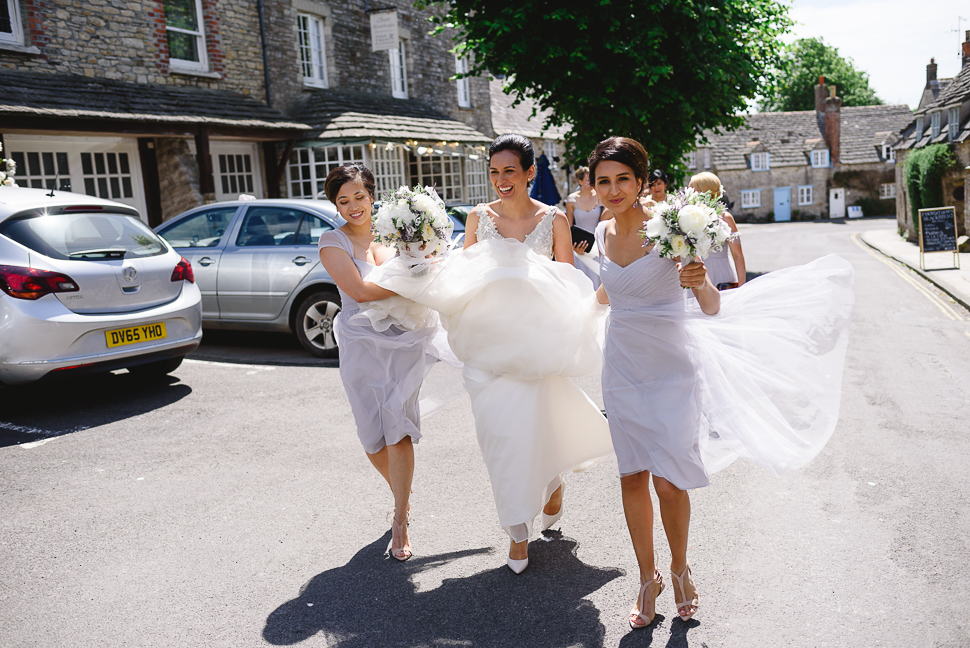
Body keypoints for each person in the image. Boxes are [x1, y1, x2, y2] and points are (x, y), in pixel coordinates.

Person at [591, 137, 854, 628]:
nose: (613, 189)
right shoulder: (602, 231)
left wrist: (700, 279)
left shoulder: (671, 227)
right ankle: (647, 579)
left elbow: (710, 306)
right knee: (631, 476)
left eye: (623, 178)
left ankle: (680, 567)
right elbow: (609, 294)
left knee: (669, 483)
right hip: (621, 368)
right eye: (603, 180)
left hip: (671, 369)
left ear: (642, 181)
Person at [357, 134, 614, 574]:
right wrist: (415, 267)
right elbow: (461, 279)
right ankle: (517, 528)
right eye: (494, 172)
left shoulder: (553, 220)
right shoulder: (478, 217)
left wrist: (592, 315)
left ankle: (550, 484)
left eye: (509, 171)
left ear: (530, 173)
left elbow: (567, 286)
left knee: (536, 430)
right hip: (485, 354)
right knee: (501, 441)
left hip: (536, 352)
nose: (500, 180)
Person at [317, 164, 439, 562]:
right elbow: (359, 290)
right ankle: (402, 492)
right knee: (372, 439)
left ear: (372, 195)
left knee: (398, 429)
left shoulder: (392, 232)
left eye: (359, 197)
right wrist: (415, 277)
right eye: (343, 200)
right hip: (360, 343)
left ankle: (400, 518)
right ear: (335, 204)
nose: (353, 206)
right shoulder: (331, 241)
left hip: (402, 340)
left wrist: (426, 265)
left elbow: (424, 261)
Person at [688, 172, 746, 290]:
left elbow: (738, 255)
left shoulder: (725, 218)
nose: (687, 195)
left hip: (721, 273)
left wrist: (742, 286)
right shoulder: (688, 217)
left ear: (704, 192)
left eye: (691, 191)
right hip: (697, 274)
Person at [565, 166, 608, 288]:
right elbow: (568, 226)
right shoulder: (571, 200)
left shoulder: (600, 198)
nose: (591, 183)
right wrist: (572, 246)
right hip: (578, 245)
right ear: (580, 181)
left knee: (598, 280)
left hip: (597, 244)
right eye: (588, 180)